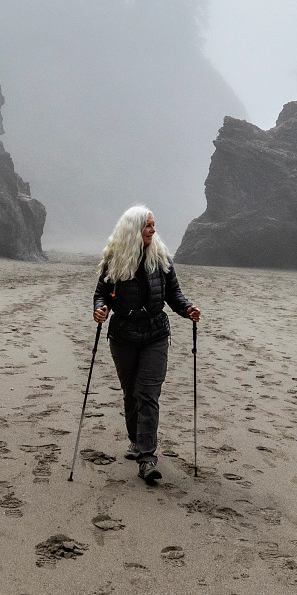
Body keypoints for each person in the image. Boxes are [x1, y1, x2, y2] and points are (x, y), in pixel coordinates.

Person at [92, 205, 200, 485]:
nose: (153, 230)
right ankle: (136, 441)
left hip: (155, 335)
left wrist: (187, 309)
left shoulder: (161, 257)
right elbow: (101, 294)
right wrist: (100, 309)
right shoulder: (114, 259)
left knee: (148, 395)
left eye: (153, 225)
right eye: (147, 225)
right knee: (131, 394)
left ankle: (147, 458)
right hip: (123, 335)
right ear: (134, 230)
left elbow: (173, 294)